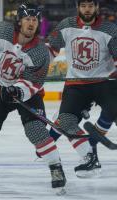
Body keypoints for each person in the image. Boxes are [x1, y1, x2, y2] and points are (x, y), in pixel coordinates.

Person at [0, 2, 66, 195]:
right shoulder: (5, 31)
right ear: (19, 21)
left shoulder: (40, 51)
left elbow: (35, 83)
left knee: (36, 131)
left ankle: (56, 168)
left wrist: (17, 90)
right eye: (27, 19)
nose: (31, 23)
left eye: (34, 20)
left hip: (27, 95)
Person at [47, 0, 117, 177]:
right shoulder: (66, 25)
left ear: (97, 8)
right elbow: (50, 49)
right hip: (76, 84)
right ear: (78, 7)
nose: (87, 9)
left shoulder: (109, 29)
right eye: (84, 6)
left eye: (91, 6)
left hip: (105, 82)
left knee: (114, 110)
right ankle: (89, 157)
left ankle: (93, 140)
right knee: (66, 121)